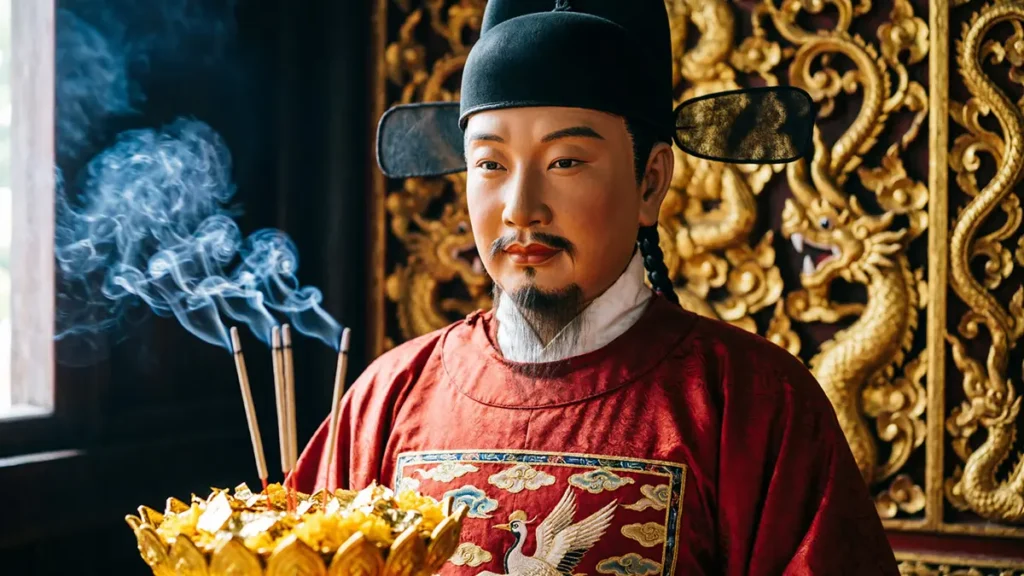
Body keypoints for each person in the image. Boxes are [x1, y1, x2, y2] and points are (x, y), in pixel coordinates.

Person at [292, 1, 900, 574]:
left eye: (565, 162)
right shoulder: (388, 399)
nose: (520, 209)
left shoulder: (752, 403)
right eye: (490, 164)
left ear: (650, 182)